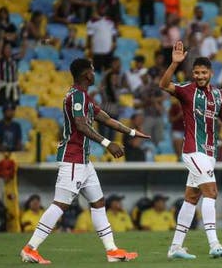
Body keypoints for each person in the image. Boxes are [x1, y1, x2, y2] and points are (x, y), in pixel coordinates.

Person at [20, 58, 150, 264]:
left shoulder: (84, 97)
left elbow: (106, 119)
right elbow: (80, 125)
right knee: (60, 204)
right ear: (85, 74)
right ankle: (30, 248)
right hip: (73, 159)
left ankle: (112, 251)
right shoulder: (77, 96)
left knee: (98, 202)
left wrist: (132, 131)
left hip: (84, 161)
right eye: (91, 70)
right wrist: (108, 144)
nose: (94, 72)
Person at [159, 41, 222, 259]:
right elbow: (164, 85)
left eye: (203, 72)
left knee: (191, 198)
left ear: (210, 73)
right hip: (193, 151)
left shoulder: (219, 95)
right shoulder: (186, 90)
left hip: (210, 154)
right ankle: (214, 244)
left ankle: (175, 247)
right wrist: (174, 64)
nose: (200, 76)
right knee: (212, 192)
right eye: (196, 73)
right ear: (193, 73)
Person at [86, 4, 117, 73]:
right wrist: (89, 48)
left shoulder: (110, 21)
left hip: (108, 51)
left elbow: (114, 34)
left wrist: (114, 43)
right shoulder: (92, 21)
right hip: (97, 51)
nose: (103, 10)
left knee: (108, 70)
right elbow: (89, 36)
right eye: (101, 8)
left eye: (104, 8)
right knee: (96, 71)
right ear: (98, 10)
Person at [0, 41, 25, 106]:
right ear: (3, 50)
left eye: (9, 48)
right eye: (6, 48)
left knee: (15, 106)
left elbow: (23, 53)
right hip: (3, 88)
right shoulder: (0, 60)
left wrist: (24, 40)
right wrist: (2, 38)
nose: (8, 50)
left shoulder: (14, 59)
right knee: (2, 106)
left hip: (14, 87)